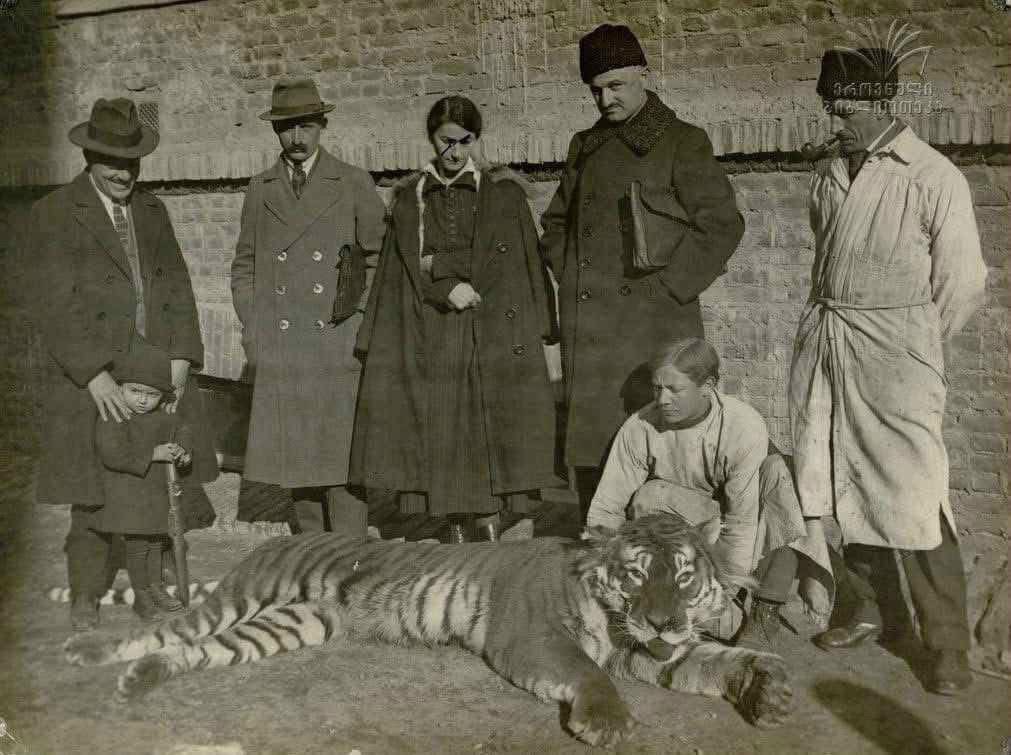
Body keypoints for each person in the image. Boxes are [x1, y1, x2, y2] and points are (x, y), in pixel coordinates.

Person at [789, 48, 988, 694]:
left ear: (878, 106)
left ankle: (948, 643)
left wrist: (913, 346)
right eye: (829, 106)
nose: (833, 119)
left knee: (914, 489)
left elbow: (962, 284)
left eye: (843, 109)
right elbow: (824, 251)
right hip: (829, 337)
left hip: (896, 348)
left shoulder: (931, 176)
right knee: (833, 476)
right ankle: (870, 608)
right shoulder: (828, 172)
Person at [540, 24, 745, 515]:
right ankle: (601, 552)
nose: (605, 99)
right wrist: (572, 280)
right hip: (591, 332)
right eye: (595, 89)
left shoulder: (681, 141)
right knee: (595, 455)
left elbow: (721, 225)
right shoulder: (583, 145)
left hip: (652, 328)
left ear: (643, 75)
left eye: (616, 85)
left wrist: (667, 289)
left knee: (659, 446)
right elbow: (554, 223)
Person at [26, 97, 215, 631]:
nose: (122, 172)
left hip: (154, 379)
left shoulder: (153, 210)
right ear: (88, 156)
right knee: (91, 494)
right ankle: (86, 593)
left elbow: (177, 288)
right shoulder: (55, 214)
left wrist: (180, 359)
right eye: (111, 160)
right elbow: (52, 305)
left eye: (130, 162)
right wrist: (94, 374)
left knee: (154, 485)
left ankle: (150, 589)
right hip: (91, 381)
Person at [350, 95, 558, 543]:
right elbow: (400, 270)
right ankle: (455, 522)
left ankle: (492, 517)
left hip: (492, 322)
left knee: (491, 422)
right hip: (435, 325)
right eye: (446, 142)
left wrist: (540, 324)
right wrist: (443, 286)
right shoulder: (411, 200)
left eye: (466, 141)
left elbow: (523, 262)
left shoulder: (503, 194)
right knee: (444, 421)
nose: (456, 152)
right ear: (431, 140)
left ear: (477, 140)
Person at [587, 338, 834, 650]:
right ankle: (670, 598)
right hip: (688, 530)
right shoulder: (639, 427)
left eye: (675, 390)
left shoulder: (742, 425)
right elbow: (605, 509)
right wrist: (605, 575)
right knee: (649, 496)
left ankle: (765, 608)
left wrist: (722, 593)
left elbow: (742, 521)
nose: (662, 400)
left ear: (708, 386)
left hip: (743, 523)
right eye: (657, 388)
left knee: (781, 476)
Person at [230, 79, 386, 539]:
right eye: (286, 128)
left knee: (342, 469)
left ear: (322, 125)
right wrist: (255, 326)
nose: (296, 139)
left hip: (337, 346)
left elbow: (380, 258)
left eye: (305, 127)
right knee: (298, 470)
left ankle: (352, 564)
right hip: (285, 346)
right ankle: (313, 565)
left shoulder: (353, 182)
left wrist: (355, 317)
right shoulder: (260, 189)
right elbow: (245, 266)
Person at [94, 339, 200, 622]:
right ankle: (142, 594)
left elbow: (182, 431)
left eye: (151, 395)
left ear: (162, 397)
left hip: (156, 498)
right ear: (120, 388)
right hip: (129, 498)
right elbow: (111, 454)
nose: (142, 399)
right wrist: (153, 453)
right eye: (135, 391)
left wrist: (182, 452)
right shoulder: (115, 415)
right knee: (138, 546)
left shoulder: (163, 418)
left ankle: (155, 587)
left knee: (155, 544)